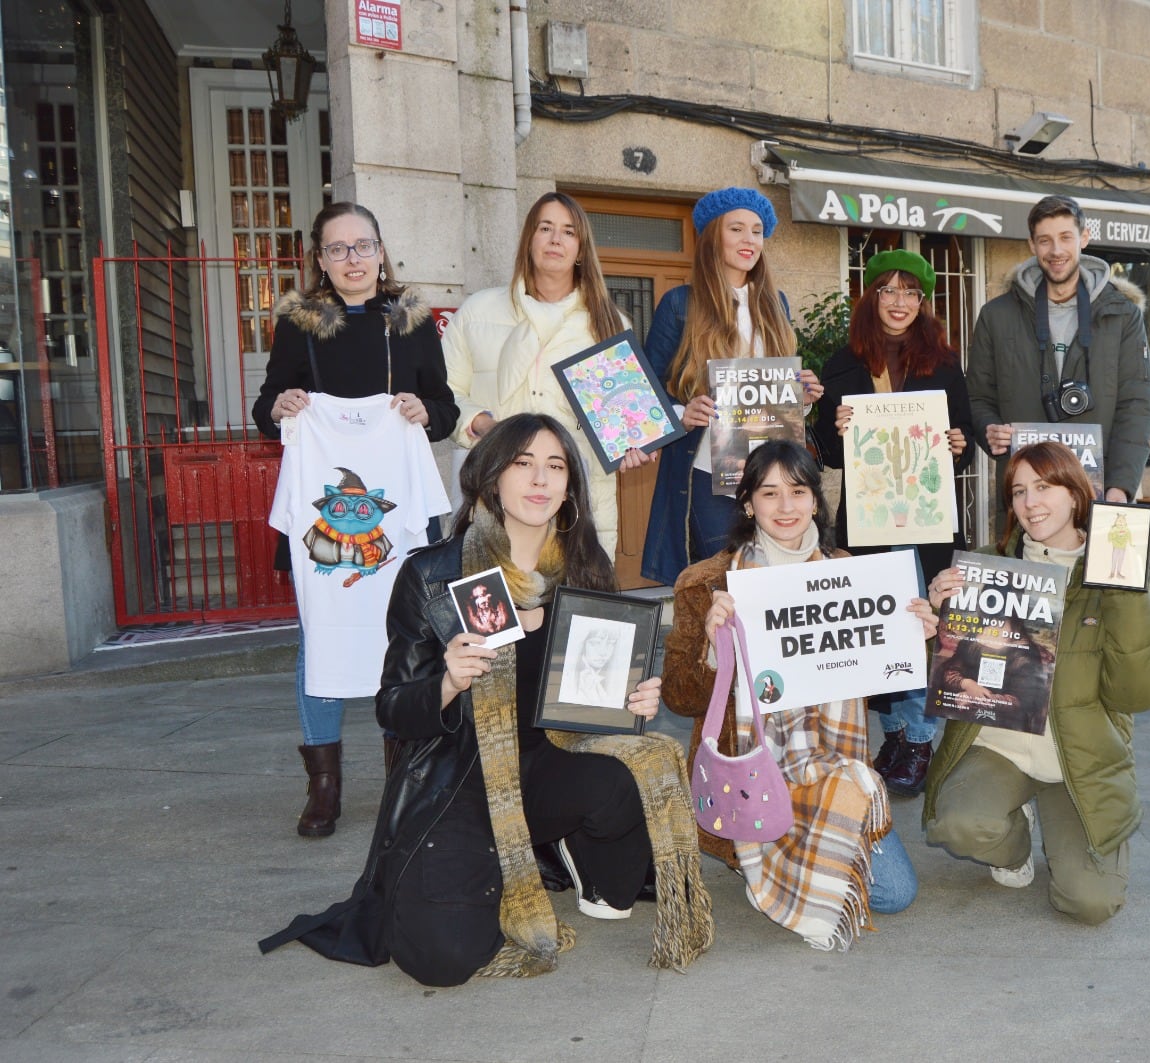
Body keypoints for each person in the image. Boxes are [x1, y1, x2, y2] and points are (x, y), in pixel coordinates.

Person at [260, 414, 713, 986]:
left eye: (556, 466)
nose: (540, 479)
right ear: (491, 477)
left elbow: (593, 687)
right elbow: (392, 708)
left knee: (637, 771)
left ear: (571, 486)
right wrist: (447, 682)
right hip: (461, 775)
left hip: (551, 759)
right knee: (441, 961)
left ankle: (570, 854)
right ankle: (506, 859)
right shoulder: (433, 572)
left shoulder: (584, 566)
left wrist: (632, 699)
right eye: (523, 463)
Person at [662, 441, 934, 949]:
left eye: (797, 491)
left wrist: (914, 637)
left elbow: (879, 678)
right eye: (769, 493)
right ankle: (760, 857)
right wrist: (713, 644)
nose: (785, 507)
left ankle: (786, 857)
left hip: (832, 767)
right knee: (873, 887)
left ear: (815, 500)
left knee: (895, 894)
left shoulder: (848, 572)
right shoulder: (705, 583)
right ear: (747, 503)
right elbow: (678, 699)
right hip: (753, 772)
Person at [252, 201, 459, 838]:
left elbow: (446, 409)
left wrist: (425, 413)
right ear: (319, 259)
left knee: (405, 641)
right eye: (337, 249)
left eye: (362, 246)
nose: (352, 259)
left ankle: (404, 775)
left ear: (380, 251)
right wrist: (280, 403)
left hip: (393, 516)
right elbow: (267, 405)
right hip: (327, 515)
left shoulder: (413, 324)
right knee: (321, 631)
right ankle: (324, 787)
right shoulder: (299, 326)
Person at [922, 441, 1150, 925]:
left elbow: (1139, 694)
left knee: (1090, 903)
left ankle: (1059, 829)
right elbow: (947, 677)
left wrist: (1124, 587)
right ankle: (1013, 847)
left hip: (1078, 759)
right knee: (956, 825)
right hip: (1000, 745)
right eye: (1018, 491)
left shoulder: (1131, 577)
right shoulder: (983, 568)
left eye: (1043, 486)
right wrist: (935, 619)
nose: (1030, 502)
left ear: (1077, 494)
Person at [814, 248, 975, 796]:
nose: (899, 302)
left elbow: (965, 440)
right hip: (868, 520)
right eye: (889, 290)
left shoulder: (944, 362)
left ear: (923, 301)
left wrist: (958, 444)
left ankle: (921, 739)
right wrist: (833, 430)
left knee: (922, 621)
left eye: (910, 292)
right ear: (872, 296)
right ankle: (897, 734)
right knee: (878, 627)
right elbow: (825, 455)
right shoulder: (844, 362)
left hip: (927, 520)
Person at [444, 192, 649, 559]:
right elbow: (445, 395)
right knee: (495, 610)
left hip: (579, 501)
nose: (556, 239)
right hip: (494, 492)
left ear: (581, 249)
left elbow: (623, 420)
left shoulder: (609, 324)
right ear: (529, 239)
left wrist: (630, 445)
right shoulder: (478, 312)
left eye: (569, 232)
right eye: (546, 228)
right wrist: (480, 422)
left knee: (572, 609)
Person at [640, 187, 824, 586]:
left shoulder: (776, 303)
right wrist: (680, 413)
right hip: (710, 471)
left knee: (778, 585)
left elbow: (777, 390)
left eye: (757, 231)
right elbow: (647, 390)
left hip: (772, 474)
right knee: (725, 584)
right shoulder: (679, 303)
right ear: (712, 237)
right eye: (737, 229)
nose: (749, 240)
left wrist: (802, 398)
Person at [965, 194, 1150, 511]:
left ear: (1084, 237)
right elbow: (976, 397)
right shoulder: (996, 316)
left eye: (1065, 237)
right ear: (1032, 245)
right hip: (1026, 503)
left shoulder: (1123, 316)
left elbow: (1136, 406)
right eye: (1045, 240)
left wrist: (1120, 488)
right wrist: (990, 430)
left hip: (1098, 495)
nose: (1056, 251)